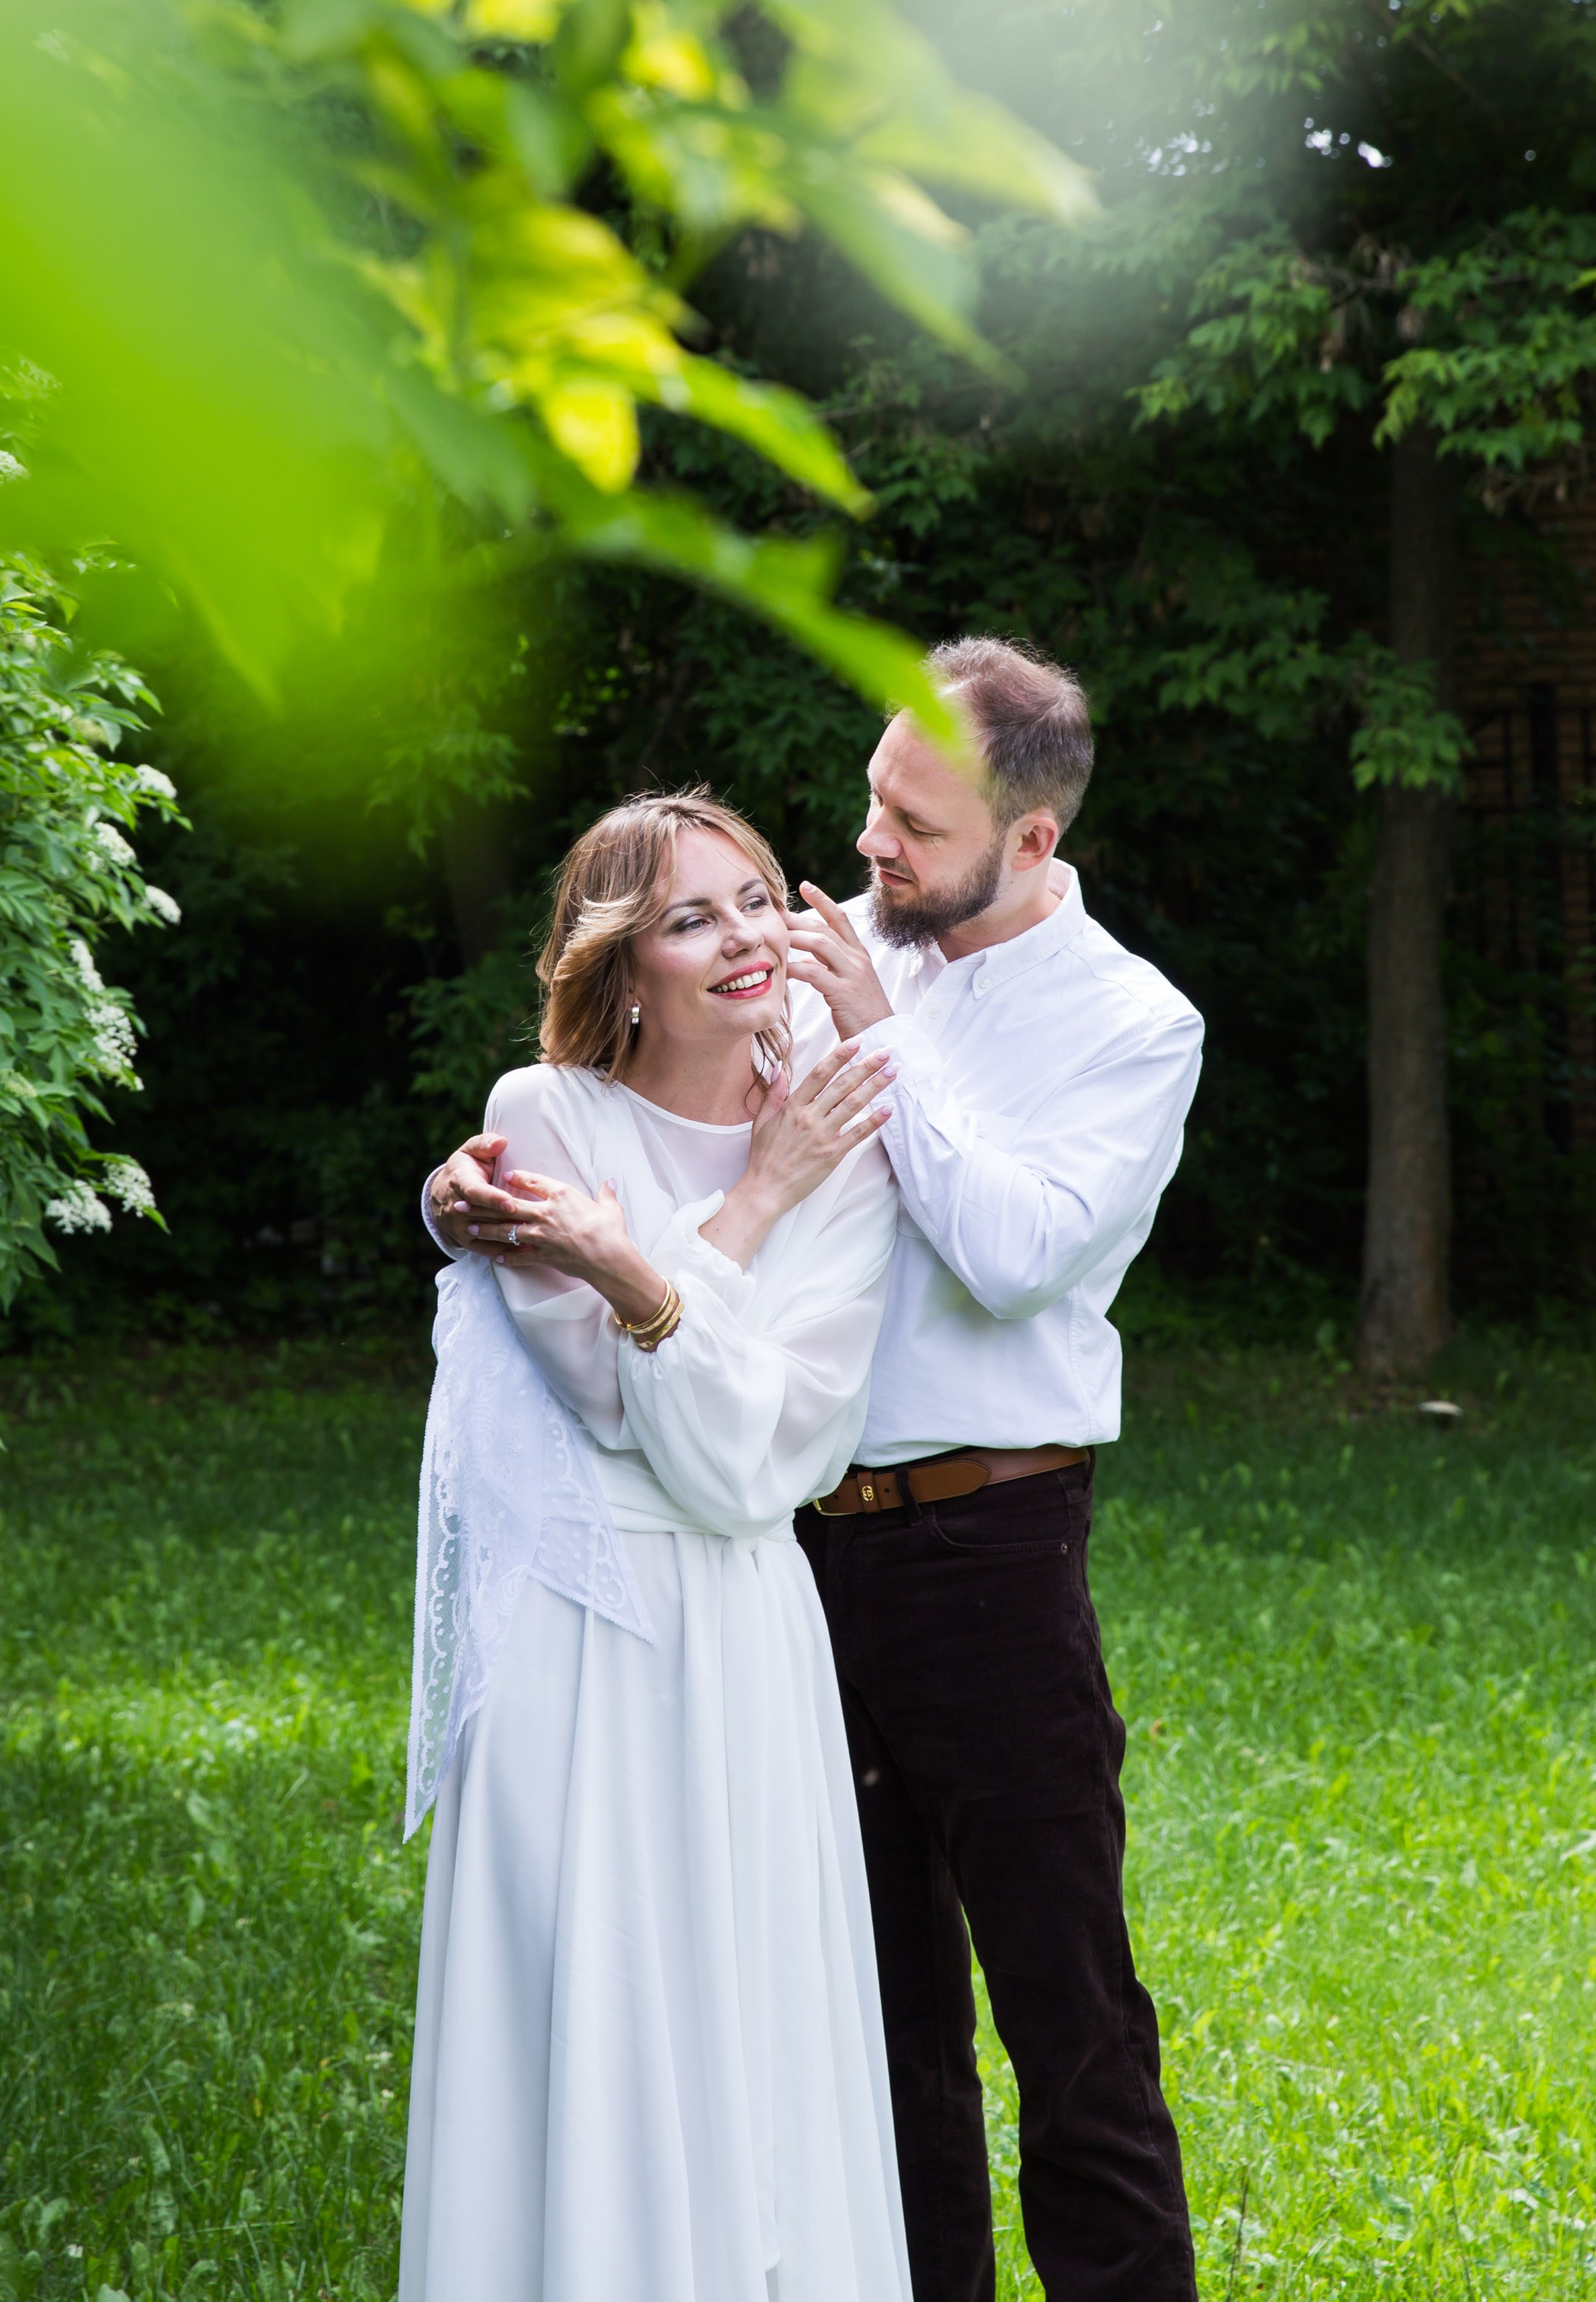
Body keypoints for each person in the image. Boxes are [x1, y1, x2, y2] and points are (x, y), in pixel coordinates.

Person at [430, 639, 1206, 2302]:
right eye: (868, 801)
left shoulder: (1132, 1025)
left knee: (1065, 2007)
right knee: (864, 2010)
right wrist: (459, 1205)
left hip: (984, 1541)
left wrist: (887, 1059)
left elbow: (1012, 1257)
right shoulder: (814, 945)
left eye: (913, 827)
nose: (867, 849)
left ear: (1032, 843)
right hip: (780, 1554)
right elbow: (626, 1107)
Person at [401, 789, 912, 2302]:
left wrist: (643, 1268)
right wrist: (746, 1209)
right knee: (587, 2011)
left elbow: (764, 1464)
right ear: (623, 967)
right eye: (691, 917)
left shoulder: (842, 1127)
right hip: (576, 1630)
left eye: (754, 899)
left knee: (750, 2024)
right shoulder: (545, 1116)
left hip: (743, 1633)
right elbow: (616, 1413)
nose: (744, 939)